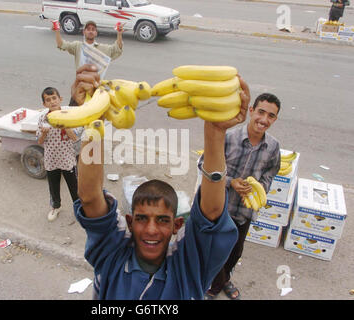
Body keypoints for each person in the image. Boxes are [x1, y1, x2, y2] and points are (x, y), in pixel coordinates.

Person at [69, 64, 252, 299]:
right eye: (142, 218)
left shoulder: (190, 267)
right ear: (129, 221)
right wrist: (91, 120)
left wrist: (215, 133)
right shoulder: (112, 254)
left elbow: (213, 212)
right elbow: (90, 197)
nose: (151, 230)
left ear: (177, 225)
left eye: (163, 220)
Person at [204, 93, 281, 300]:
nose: (264, 120)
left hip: (245, 211)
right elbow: (203, 164)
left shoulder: (273, 147)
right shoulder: (228, 138)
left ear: (275, 119)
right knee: (215, 251)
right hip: (219, 208)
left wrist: (258, 188)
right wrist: (230, 182)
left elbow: (271, 172)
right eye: (261, 112)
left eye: (271, 116)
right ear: (251, 111)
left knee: (235, 253)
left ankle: (224, 279)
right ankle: (215, 286)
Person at [36, 87, 81, 222]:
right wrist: (44, 132)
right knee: (53, 185)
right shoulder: (43, 118)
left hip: (67, 158)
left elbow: (75, 138)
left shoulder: (69, 116)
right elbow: (39, 141)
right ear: (44, 104)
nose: (52, 102)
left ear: (60, 99)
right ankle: (56, 206)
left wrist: (65, 126)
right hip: (51, 158)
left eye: (54, 98)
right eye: (48, 100)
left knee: (74, 186)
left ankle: (78, 209)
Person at [54, 20, 124, 69]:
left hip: (96, 85)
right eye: (88, 29)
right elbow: (61, 44)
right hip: (81, 83)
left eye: (93, 29)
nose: (91, 31)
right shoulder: (77, 46)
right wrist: (57, 31)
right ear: (84, 32)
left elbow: (117, 49)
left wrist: (119, 34)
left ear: (96, 33)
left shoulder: (102, 48)